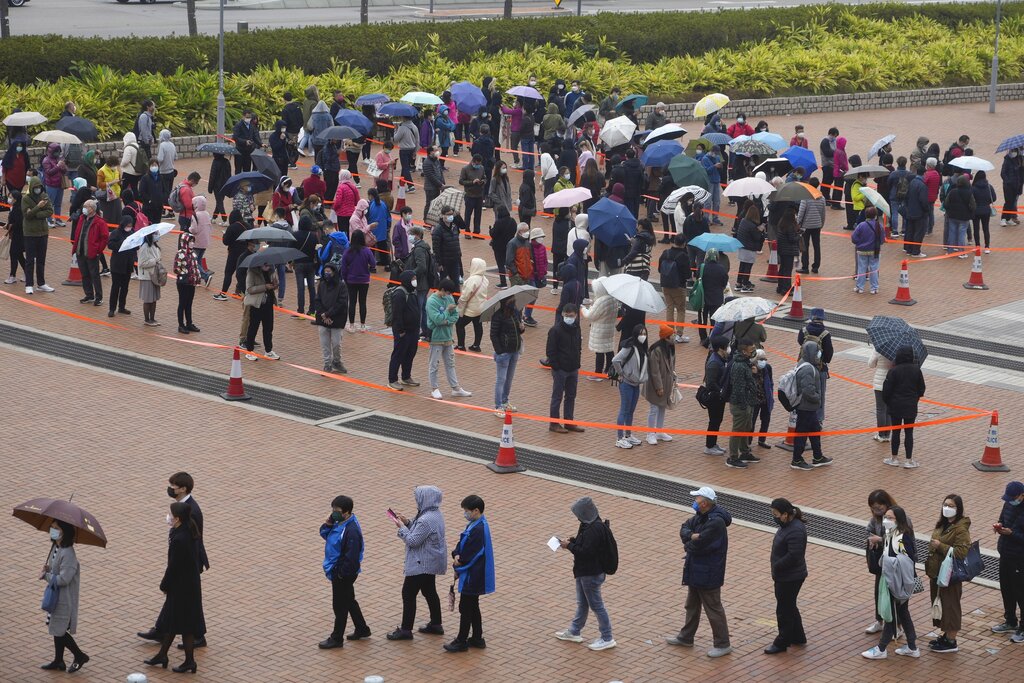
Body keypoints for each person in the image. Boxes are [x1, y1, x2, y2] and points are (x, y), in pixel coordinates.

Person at [667, 486, 733, 658]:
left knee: (713, 608)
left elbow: (701, 544)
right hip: (696, 570)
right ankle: (686, 637)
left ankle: (723, 643)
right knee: (692, 605)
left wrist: (689, 542)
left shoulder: (715, 522)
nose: (694, 502)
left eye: (696, 499)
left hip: (709, 572)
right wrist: (691, 536)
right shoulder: (701, 517)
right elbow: (684, 528)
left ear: (704, 503)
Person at [142, 502, 203, 674]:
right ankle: (163, 655)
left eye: (170, 514)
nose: (168, 516)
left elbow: (174, 566)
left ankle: (189, 661)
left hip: (182, 588)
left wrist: (164, 584)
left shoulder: (180, 538)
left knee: (183, 624)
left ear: (177, 518)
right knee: (174, 621)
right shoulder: (186, 530)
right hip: (188, 585)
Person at [554, 496, 616, 651]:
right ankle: (574, 631)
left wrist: (570, 546)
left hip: (590, 574)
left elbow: (586, 552)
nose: (577, 517)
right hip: (585, 573)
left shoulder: (593, 530)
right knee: (583, 603)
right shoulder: (590, 525)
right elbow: (586, 545)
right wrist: (573, 541)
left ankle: (607, 637)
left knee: (597, 606)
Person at [387, 486, 448, 641]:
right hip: (431, 561)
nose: (416, 501)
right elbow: (419, 527)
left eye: (418, 498)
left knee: (408, 594)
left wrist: (402, 528)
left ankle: (406, 630)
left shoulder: (426, 519)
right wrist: (408, 522)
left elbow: (413, 541)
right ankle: (436, 624)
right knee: (429, 591)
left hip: (422, 563)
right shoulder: (434, 514)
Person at [861, 506, 920, 659]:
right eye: (886, 517)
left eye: (890, 517)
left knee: (891, 615)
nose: (886, 520)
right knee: (903, 613)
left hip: (898, 583)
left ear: (899, 520)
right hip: (893, 581)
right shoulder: (890, 533)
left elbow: (907, 560)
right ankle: (912, 647)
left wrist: (887, 562)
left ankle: (881, 649)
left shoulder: (903, 537)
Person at [445, 494, 495, 652]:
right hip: (476, 574)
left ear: (476, 510)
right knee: (473, 605)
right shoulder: (477, 524)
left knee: (465, 607)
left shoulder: (478, 529)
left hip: (473, 576)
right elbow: (463, 544)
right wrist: (456, 553)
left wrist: (458, 560)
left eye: (466, 511)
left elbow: (471, 553)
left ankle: (461, 640)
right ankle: (477, 637)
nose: (465, 514)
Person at [318, 495, 369, 649]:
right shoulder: (339, 522)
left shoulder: (351, 531)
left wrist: (340, 573)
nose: (334, 513)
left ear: (347, 512)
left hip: (343, 573)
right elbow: (327, 536)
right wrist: (327, 524)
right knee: (348, 600)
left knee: (339, 605)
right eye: (333, 510)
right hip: (339, 570)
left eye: (337, 511)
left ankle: (336, 638)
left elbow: (351, 557)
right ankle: (362, 628)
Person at [39, 520, 89, 673]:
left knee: (59, 631)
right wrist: (49, 569)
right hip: (57, 598)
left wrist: (46, 576)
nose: (52, 530)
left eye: (56, 528)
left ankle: (80, 656)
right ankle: (59, 661)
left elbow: (64, 579)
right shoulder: (56, 547)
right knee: (56, 628)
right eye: (52, 528)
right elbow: (56, 570)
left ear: (64, 532)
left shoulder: (68, 554)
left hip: (64, 600)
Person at [925, 494, 972, 653]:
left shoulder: (960, 529)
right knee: (942, 605)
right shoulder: (943, 524)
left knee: (951, 607)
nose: (947, 508)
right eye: (945, 504)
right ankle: (946, 635)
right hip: (937, 572)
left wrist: (940, 546)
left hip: (950, 575)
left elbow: (961, 553)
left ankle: (951, 641)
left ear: (958, 509)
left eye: (951, 506)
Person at [765, 498, 808, 655]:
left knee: (784, 610)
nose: (774, 517)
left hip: (790, 577)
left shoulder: (795, 530)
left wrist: (777, 565)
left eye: (776, 514)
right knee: (789, 605)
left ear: (785, 514)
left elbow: (794, 555)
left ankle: (782, 642)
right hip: (787, 575)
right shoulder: (788, 525)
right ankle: (798, 636)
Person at [789, 341, 833, 470]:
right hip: (806, 407)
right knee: (802, 433)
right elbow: (808, 390)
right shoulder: (808, 369)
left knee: (814, 431)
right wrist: (818, 397)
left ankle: (818, 456)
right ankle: (796, 459)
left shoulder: (806, 364)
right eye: (817, 351)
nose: (819, 354)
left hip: (809, 407)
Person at [426, 278, 472, 399]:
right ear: (442, 290)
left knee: (450, 363)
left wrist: (446, 320)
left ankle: (455, 388)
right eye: (447, 292)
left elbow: (455, 315)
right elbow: (437, 319)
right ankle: (434, 388)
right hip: (436, 338)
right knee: (434, 364)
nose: (449, 295)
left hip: (448, 337)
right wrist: (446, 312)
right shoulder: (431, 301)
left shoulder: (449, 298)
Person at [864, 490, 902, 635]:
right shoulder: (876, 519)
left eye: (879, 508)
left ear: (887, 504)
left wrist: (880, 539)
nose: (876, 511)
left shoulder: (900, 518)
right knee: (879, 593)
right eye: (873, 508)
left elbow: (902, 540)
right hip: (882, 562)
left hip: (897, 564)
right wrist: (870, 539)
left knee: (895, 595)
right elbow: (868, 531)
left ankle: (898, 627)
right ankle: (879, 621)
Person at [882, 345, 926, 468]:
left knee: (895, 432)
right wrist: (915, 398)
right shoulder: (917, 370)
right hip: (910, 406)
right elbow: (922, 389)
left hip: (895, 406)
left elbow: (886, 390)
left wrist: (889, 402)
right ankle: (909, 460)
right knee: (909, 433)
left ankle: (894, 458)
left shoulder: (894, 371)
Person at [993, 481, 1024, 642]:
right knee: (1006, 589)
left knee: (1020, 592)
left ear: (1021, 495)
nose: (1010, 501)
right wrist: (999, 527)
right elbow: (1002, 518)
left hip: (1019, 558)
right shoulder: (1009, 504)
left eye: (1013, 498)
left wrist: (1011, 533)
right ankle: (1010, 620)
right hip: (1005, 553)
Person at [548, 303, 585, 433]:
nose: (569, 318)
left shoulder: (576, 328)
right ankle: (554, 423)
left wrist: (577, 363)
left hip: (573, 368)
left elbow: (578, 346)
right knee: (557, 396)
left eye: (572, 316)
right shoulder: (555, 330)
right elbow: (550, 351)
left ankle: (569, 421)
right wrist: (556, 367)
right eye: (567, 315)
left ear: (576, 316)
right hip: (560, 370)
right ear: (563, 314)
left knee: (571, 396)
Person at [611, 324, 649, 449]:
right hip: (626, 383)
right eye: (640, 334)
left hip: (636, 384)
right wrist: (621, 373)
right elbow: (615, 360)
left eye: (644, 334)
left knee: (631, 411)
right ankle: (619, 438)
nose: (643, 336)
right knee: (624, 410)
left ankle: (628, 435)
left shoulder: (643, 349)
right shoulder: (629, 347)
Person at [725, 338, 760, 468]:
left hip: (747, 402)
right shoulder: (739, 366)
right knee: (738, 429)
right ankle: (733, 457)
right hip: (741, 404)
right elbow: (739, 388)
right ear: (744, 352)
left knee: (746, 427)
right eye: (751, 350)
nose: (754, 352)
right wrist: (744, 405)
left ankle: (744, 452)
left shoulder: (746, 363)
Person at [312, 261, 350, 373]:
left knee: (336, 344)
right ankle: (327, 364)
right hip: (323, 319)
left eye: (329, 271)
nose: (326, 273)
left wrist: (328, 314)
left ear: (334, 272)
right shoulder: (322, 284)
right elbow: (317, 300)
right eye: (325, 271)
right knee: (325, 345)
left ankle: (337, 361)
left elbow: (341, 303)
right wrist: (323, 314)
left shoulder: (341, 286)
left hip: (337, 319)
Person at [387, 270, 422, 390]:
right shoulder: (400, 294)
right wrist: (400, 330)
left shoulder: (413, 292)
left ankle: (406, 376)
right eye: (413, 278)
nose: (415, 280)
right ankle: (392, 380)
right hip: (403, 331)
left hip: (414, 330)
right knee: (398, 354)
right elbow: (397, 314)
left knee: (410, 353)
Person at [797, 308, 832, 423]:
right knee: (819, 394)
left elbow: (800, 342)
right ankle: (818, 419)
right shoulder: (825, 334)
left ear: (811, 317)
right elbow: (828, 355)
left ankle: (801, 415)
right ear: (822, 319)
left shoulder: (803, 330)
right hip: (819, 368)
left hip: (803, 366)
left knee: (801, 391)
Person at [645, 324, 679, 444]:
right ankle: (650, 433)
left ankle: (659, 431)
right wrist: (659, 387)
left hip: (666, 383)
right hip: (656, 385)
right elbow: (655, 371)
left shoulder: (670, 348)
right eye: (672, 335)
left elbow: (671, 366)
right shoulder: (656, 350)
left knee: (662, 407)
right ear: (666, 337)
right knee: (654, 408)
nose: (674, 336)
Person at [71, 199, 109, 307]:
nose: (84, 208)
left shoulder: (99, 222)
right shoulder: (82, 219)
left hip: (92, 253)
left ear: (92, 209)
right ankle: (89, 294)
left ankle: (99, 297)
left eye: (86, 206)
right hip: (81, 251)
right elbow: (78, 234)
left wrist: (98, 250)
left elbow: (105, 238)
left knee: (94, 275)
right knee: (85, 275)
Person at [489, 296, 523, 414]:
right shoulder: (498, 316)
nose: (514, 305)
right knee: (501, 379)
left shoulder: (515, 313)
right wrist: (499, 351)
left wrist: (521, 329)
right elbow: (493, 335)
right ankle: (498, 406)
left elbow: (517, 330)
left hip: (514, 350)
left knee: (509, 379)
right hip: (504, 353)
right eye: (511, 303)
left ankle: (504, 401)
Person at [581, 277, 616, 381]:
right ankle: (609, 370)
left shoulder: (601, 301)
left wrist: (583, 309)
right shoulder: (612, 299)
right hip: (609, 327)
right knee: (609, 349)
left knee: (599, 351)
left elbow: (590, 315)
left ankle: (598, 373)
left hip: (600, 329)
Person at [243, 263, 280, 361]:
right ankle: (249, 350)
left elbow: (274, 285)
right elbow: (250, 289)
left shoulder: (271, 271)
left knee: (268, 328)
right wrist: (265, 287)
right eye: (266, 264)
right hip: (257, 304)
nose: (268, 266)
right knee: (253, 328)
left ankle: (268, 350)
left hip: (269, 303)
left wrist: (275, 285)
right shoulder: (252, 272)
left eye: (269, 264)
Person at [340, 229, 376, 332]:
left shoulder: (347, 251)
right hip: (364, 280)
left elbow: (343, 268)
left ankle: (351, 325)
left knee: (352, 302)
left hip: (351, 280)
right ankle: (363, 325)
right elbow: (373, 264)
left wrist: (346, 278)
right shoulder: (367, 251)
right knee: (362, 302)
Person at [702, 336, 730, 456]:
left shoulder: (720, 358)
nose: (728, 348)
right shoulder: (714, 362)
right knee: (714, 421)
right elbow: (711, 383)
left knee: (717, 420)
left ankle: (713, 444)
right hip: (714, 397)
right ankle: (709, 446)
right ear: (720, 348)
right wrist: (721, 391)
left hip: (719, 396)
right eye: (727, 346)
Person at [658, 233, 690, 340]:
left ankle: (669, 333)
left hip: (665, 285)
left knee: (669, 308)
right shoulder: (683, 256)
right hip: (679, 286)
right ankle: (679, 334)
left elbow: (659, 269)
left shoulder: (665, 253)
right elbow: (688, 275)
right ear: (684, 244)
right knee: (681, 309)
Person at [105, 215, 136, 316]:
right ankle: (112, 308)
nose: (129, 227)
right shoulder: (116, 233)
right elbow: (110, 245)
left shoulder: (132, 233)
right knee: (115, 287)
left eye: (131, 225)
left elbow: (136, 247)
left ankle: (122, 307)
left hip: (127, 264)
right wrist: (123, 243)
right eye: (128, 225)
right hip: (117, 265)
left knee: (125, 287)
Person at [455, 257, 488, 352]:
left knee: (460, 325)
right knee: (478, 325)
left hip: (470, 309)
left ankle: (461, 346)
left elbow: (465, 296)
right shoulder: (484, 279)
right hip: (480, 307)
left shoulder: (471, 280)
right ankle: (476, 345)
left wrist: (459, 304)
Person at [172, 231, 202, 334]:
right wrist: (186, 274)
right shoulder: (180, 253)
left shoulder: (193, 253)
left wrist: (197, 276)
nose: (192, 243)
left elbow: (196, 266)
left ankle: (189, 323)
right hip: (183, 283)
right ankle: (181, 325)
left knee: (189, 303)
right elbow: (176, 268)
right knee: (182, 303)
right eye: (190, 241)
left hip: (191, 283)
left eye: (193, 241)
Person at [697, 249, 728, 345]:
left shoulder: (702, 267)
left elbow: (698, 279)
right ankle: (712, 338)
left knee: (702, 319)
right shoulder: (721, 269)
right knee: (714, 320)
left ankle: (703, 338)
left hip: (703, 298)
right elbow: (724, 282)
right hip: (717, 298)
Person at [850, 207, 883, 295]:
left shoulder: (861, 225)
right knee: (874, 269)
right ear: (875, 216)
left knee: (861, 268)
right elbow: (882, 240)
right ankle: (874, 288)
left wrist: (859, 243)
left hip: (862, 250)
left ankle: (859, 287)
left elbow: (854, 238)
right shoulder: (879, 226)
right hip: (875, 250)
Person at [796, 178, 826, 273]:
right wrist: (821, 223)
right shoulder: (821, 197)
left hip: (806, 226)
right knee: (817, 246)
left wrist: (798, 223)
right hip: (817, 225)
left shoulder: (806, 197)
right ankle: (816, 266)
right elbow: (823, 213)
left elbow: (801, 213)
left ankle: (805, 267)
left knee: (805, 246)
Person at [735, 203, 766, 291]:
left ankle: (739, 283)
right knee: (748, 267)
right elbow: (757, 237)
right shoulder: (752, 226)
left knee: (742, 265)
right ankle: (745, 284)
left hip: (741, 247)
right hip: (749, 248)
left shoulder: (743, 221)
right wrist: (760, 230)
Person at [867, 347, 894, 443]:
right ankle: (887, 434)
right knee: (889, 409)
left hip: (880, 382)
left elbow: (871, 364)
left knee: (881, 409)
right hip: (892, 381)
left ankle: (881, 434)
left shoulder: (879, 348)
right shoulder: (897, 349)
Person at [433, 206, 465, 284]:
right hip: (444, 262)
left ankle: (455, 296)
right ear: (442, 215)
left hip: (455, 260)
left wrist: (457, 215)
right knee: (443, 284)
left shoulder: (454, 227)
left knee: (456, 284)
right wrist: (439, 263)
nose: (450, 216)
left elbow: (463, 225)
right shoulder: (438, 230)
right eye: (448, 214)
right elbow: (436, 248)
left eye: (451, 214)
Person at [138, 231, 164, 326]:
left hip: (155, 275)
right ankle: (147, 319)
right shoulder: (144, 247)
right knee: (148, 299)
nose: (157, 236)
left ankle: (152, 318)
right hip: (147, 277)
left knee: (154, 299)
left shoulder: (155, 247)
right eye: (155, 234)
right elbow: (142, 263)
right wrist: (155, 261)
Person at [41, 143, 67, 227]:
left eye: (59, 151)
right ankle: (49, 220)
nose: (58, 153)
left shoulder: (59, 159)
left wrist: (63, 167)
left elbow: (65, 172)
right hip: (51, 185)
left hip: (60, 185)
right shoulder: (46, 160)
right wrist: (58, 166)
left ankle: (58, 219)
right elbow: (49, 172)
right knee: (50, 203)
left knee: (58, 204)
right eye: (56, 151)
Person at [460, 154, 487, 236]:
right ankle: (467, 231)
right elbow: (461, 181)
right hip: (469, 195)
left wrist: (482, 181)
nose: (478, 165)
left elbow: (485, 178)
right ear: (473, 161)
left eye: (479, 163)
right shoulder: (465, 169)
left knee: (478, 215)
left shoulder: (481, 168)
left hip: (479, 195)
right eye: (477, 163)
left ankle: (476, 232)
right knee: (468, 215)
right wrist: (472, 182)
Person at [971, 170, 997, 252]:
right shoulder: (989, 187)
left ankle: (977, 246)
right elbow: (994, 198)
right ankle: (987, 247)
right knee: (986, 228)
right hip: (986, 210)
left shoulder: (973, 188)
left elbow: (970, 199)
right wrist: (987, 202)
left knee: (976, 229)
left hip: (976, 210)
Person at [232, 109, 262, 174]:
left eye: (249, 117)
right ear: (243, 117)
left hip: (248, 152)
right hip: (239, 151)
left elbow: (255, 136)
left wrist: (261, 144)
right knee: (238, 170)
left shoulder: (251, 126)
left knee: (247, 170)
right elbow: (235, 137)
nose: (248, 119)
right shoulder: (238, 125)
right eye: (247, 117)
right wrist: (245, 141)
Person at [1000, 149, 1022, 227]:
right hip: (1008, 186)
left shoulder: (1017, 160)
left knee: (1012, 202)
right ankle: (1003, 219)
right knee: (1008, 202)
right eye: (1013, 151)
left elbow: (1019, 173)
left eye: (1015, 151)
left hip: (1016, 185)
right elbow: (1003, 173)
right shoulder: (1007, 161)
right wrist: (1008, 181)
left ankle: (1008, 219)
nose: (1014, 153)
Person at [422, 145, 445, 220]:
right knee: (429, 205)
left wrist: (443, 182)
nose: (437, 152)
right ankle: (426, 221)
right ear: (430, 152)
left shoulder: (436, 160)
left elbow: (440, 172)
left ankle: (433, 220)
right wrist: (440, 184)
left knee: (435, 205)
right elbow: (431, 176)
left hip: (437, 187)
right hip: (430, 188)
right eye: (435, 150)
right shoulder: (427, 162)